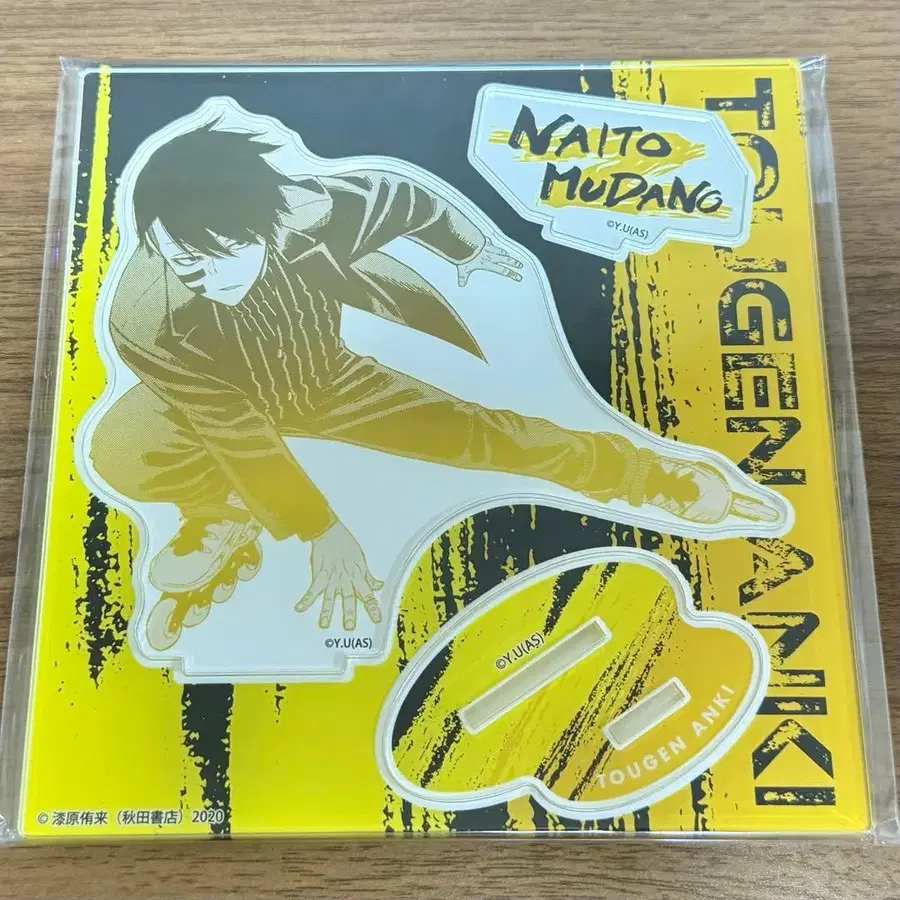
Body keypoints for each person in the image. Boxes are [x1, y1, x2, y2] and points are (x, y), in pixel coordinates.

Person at [90, 121, 776, 633]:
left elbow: (406, 196)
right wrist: (318, 527)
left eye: (225, 256)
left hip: (327, 382)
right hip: (211, 403)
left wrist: (468, 248)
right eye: (185, 265)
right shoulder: (146, 317)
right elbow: (233, 426)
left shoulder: (322, 210)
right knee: (116, 450)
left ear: (267, 224)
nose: (208, 280)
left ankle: (648, 476)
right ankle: (221, 512)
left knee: (486, 437)